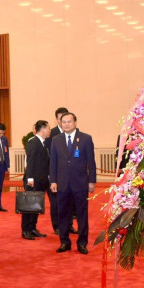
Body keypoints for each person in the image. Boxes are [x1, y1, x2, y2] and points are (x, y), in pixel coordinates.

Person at [49, 112, 95, 254]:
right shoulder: (56, 140)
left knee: (82, 214)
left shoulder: (86, 138)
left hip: (80, 183)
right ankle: (64, 242)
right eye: (64, 122)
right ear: (60, 123)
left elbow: (91, 163)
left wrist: (92, 181)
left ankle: (82, 243)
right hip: (62, 184)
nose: (66, 124)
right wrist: (53, 181)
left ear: (75, 123)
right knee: (63, 214)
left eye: (69, 121)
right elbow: (53, 163)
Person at [22, 120, 50, 240]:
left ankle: (33, 228)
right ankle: (26, 230)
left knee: (36, 205)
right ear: (42, 129)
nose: (49, 130)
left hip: (40, 180)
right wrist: (30, 178)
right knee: (29, 205)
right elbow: (31, 161)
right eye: (48, 128)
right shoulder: (33, 142)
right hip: (33, 180)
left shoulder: (42, 143)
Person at [48, 107, 68, 235]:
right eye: (61, 119)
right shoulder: (52, 134)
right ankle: (57, 226)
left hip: (69, 174)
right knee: (55, 202)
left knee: (69, 201)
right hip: (55, 173)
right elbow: (49, 155)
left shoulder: (73, 133)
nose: (64, 121)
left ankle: (68, 225)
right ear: (57, 119)